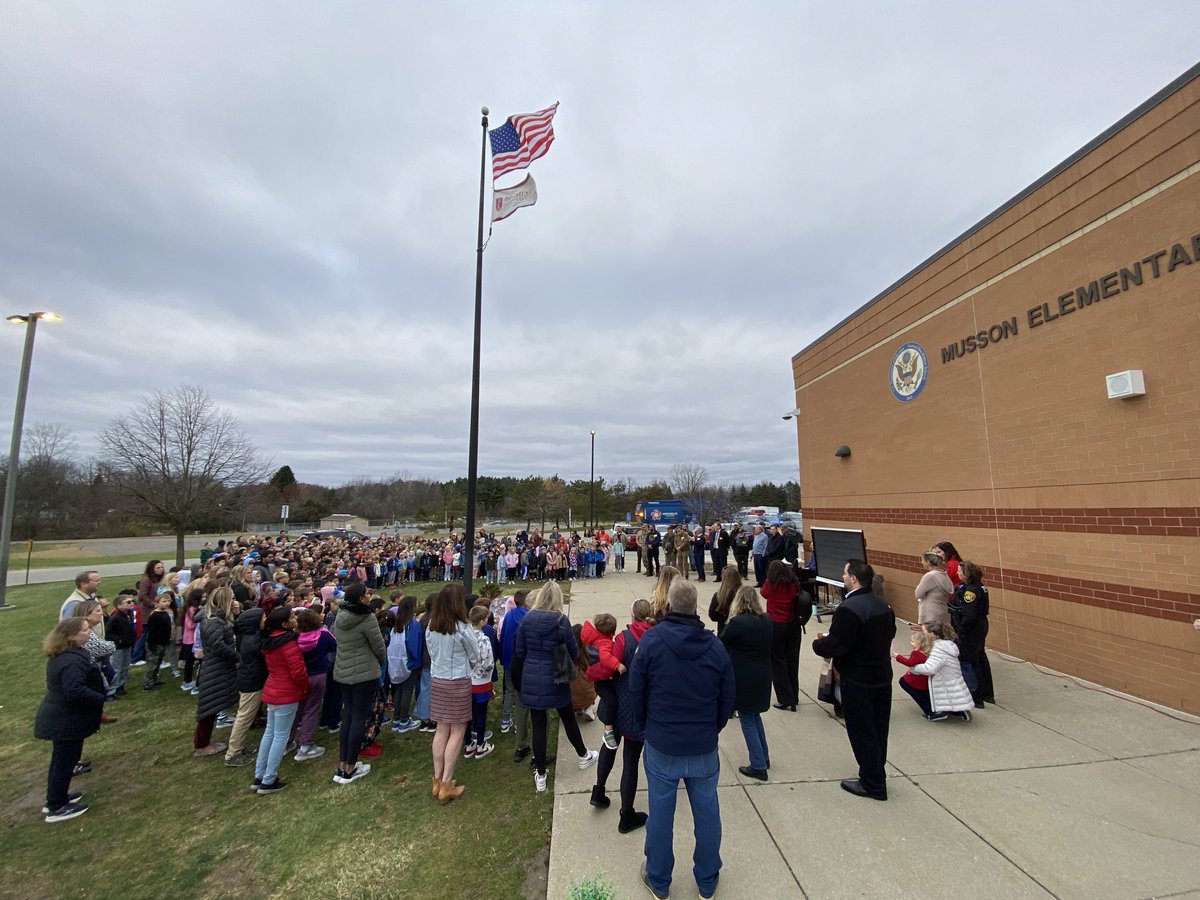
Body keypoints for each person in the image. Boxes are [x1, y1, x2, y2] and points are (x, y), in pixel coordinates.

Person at [629, 579, 734, 900]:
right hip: (699, 745)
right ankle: (706, 878)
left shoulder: (652, 641)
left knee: (661, 813)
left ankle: (660, 879)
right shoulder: (715, 646)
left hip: (665, 744)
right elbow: (727, 700)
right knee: (707, 812)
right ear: (694, 607)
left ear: (670, 606)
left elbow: (636, 691)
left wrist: (648, 727)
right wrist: (710, 729)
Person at [812, 559, 896, 801]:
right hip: (881, 676)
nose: (843, 576)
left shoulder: (850, 608)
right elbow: (889, 634)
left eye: (845, 572)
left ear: (854, 579)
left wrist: (819, 643)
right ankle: (875, 773)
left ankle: (872, 783)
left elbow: (837, 644)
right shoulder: (883, 605)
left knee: (862, 731)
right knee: (879, 730)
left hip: (858, 679)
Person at [513, 582, 599, 793]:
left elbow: (520, 650)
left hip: (533, 674)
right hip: (556, 673)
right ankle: (582, 754)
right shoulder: (561, 620)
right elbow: (572, 651)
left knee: (539, 724)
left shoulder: (527, 619)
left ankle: (540, 774)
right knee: (567, 718)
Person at [589, 598, 654, 834]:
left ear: (632, 615)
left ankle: (599, 790)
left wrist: (592, 674)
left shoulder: (623, 639)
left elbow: (607, 668)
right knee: (630, 760)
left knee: (609, 746)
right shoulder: (654, 639)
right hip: (637, 708)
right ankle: (626, 814)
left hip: (616, 704)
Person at [35, 617, 106, 823]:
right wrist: (99, 698)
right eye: (85, 630)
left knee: (64, 760)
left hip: (64, 716)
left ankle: (58, 796)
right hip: (65, 718)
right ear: (72, 636)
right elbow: (74, 690)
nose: (88, 632)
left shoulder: (66, 655)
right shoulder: (71, 660)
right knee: (64, 761)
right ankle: (56, 806)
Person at [425, 585, 479, 803]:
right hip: (456, 680)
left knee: (441, 729)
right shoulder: (462, 628)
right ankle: (445, 782)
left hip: (438, 679)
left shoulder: (431, 626)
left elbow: (431, 651)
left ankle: (437, 779)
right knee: (457, 730)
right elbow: (474, 654)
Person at [332, 581, 386, 784]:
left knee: (348, 716)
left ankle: (342, 764)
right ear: (360, 598)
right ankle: (350, 766)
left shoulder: (341, 615)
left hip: (343, 671)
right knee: (358, 719)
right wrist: (379, 663)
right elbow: (378, 645)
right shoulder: (366, 617)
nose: (369, 596)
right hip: (363, 673)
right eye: (366, 594)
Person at [252, 605, 310, 794]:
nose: (296, 618)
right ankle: (268, 779)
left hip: (273, 689)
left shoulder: (269, 641)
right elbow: (298, 671)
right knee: (280, 736)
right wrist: (304, 687)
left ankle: (259, 775)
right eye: (293, 616)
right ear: (285, 623)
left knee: (270, 732)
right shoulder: (287, 643)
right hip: (286, 691)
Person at [720, 585, 773, 781]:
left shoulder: (737, 623)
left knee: (748, 719)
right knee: (754, 716)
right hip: (763, 675)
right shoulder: (766, 621)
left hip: (744, 677)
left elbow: (722, 641)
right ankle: (764, 756)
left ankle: (758, 765)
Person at [194, 586, 238, 759]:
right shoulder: (213, 621)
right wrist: (236, 656)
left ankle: (204, 741)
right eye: (232, 598)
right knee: (209, 706)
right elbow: (217, 645)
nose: (235, 600)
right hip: (215, 668)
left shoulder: (219, 618)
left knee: (213, 704)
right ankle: (202, 744)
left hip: (219, 666)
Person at [224, 598, 267, 768]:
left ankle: (238, 747)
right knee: (244, 716)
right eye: (263, 618)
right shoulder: (253, 641)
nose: (265, 620)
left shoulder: (248, 637)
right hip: (252, 681)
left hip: (252, 678)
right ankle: (232, 753)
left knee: (246, 714)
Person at [949, 560, 995, 707]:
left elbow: (969, 614)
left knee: (970, 661)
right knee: (980, 658)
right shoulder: (979, 586)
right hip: (979, 626)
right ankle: (987, 693)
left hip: (971, 629)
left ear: (967, 573)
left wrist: (961, 630)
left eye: (959, 571)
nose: (957, 573)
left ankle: (976, 696)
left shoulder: (971, 591)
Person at [292, 607, 335, 759]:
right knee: (311, 709)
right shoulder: (323, 634)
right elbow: (333, 646)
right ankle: (305, 744)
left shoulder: (295, 637)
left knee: (298, 708)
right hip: (317, 674)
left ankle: (287, 741)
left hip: (301, 675)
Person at [761, 560, 803, 711]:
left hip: (776, 625)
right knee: (792, 661)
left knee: (778, 663)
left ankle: (785, 698)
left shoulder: (771, 583)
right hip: (792, 624)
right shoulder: (792, 582)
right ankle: (794, 695)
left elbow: (763, 593)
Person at [909, 622, 973, 722]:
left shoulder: (938, 649)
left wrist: (914, 668)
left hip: (944, 680)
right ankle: (958, 710)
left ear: (932, 634)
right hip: (951, 679)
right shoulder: (947, 645)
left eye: (924, 632)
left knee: (905, 682)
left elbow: (930, 668)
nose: (922, 635)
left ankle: (935, 713)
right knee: (951, 697)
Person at [580, 612, 622, 748]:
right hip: (602, 681)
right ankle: (608, 731)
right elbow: (605, 658)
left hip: (598, 678)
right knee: (611, 702)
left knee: (610, 700)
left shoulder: (593, 637)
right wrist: (618, 665)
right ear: (612, 632)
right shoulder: (604, 643)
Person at [498, 590, 532, 757]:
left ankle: (506, 720)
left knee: (510, 691)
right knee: (525, 697)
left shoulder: (509, 615)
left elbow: (503, 635)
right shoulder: (528, 616)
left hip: (508, 660)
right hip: (523, 662)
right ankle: (524, 728)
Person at [387, 596, 423, 733]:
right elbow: (413, 644)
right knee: (407, 690)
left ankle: (397, 718)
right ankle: (404, 719)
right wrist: (416, 660)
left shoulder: (398, 622)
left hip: (397, 661)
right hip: (410, 662)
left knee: (399, 689)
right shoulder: (412, 624)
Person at [466, 605, 495, 758]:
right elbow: (488, 662)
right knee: (481, 712)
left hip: (467, 680)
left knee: (468, 712)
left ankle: (468, 743)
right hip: (481, 681)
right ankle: (480, 743)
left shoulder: (464, 636)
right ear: (483, 621)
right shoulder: (483, 639)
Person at [894, 628, 936, 718]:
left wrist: (898, 656)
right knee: (926, 695)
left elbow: (910, 663)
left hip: (916, 680)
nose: (911, 643)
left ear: (920, 643)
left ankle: (930, 712)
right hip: (923, 680)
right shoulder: (927, 652)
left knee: (903, 682)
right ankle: (934, 709)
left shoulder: (916, 653)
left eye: (913, 641)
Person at [105, 593, 136, 699]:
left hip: (127, 644)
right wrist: (119, 640)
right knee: (116, 668)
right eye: (128, 602)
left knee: (125, 666)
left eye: (132, 601)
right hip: (119, 647)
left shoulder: (129, 614)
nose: (132, 603)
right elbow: (108, 633)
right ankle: (111, 691)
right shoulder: (116, 618)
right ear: (119, 606)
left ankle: (121, 685)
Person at [142, 593, 174, 691]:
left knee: (158, 662)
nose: (167, 603)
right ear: (157, 603)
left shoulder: (165, 613)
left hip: (163, 641)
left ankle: (155, 679)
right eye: (164, 601)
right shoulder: (154, 615)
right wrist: (152, 644)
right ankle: (148, 684)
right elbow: (151, 631)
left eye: (168, 601)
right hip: (154, 643)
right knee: (152, 664)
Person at [914, 550, 953, 627]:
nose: (921, 562)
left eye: (922, 560)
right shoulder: (944, 575)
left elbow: (918, 594)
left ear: (928, 562)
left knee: (931, 637)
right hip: (942, 611)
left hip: (930, 614)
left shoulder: (929, 576)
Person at [707, 565, 741, 636]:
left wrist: (722, 618)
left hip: (724, 631)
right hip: (740, 630)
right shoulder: (742, 594)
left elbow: (712, 615)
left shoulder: (718, 596)